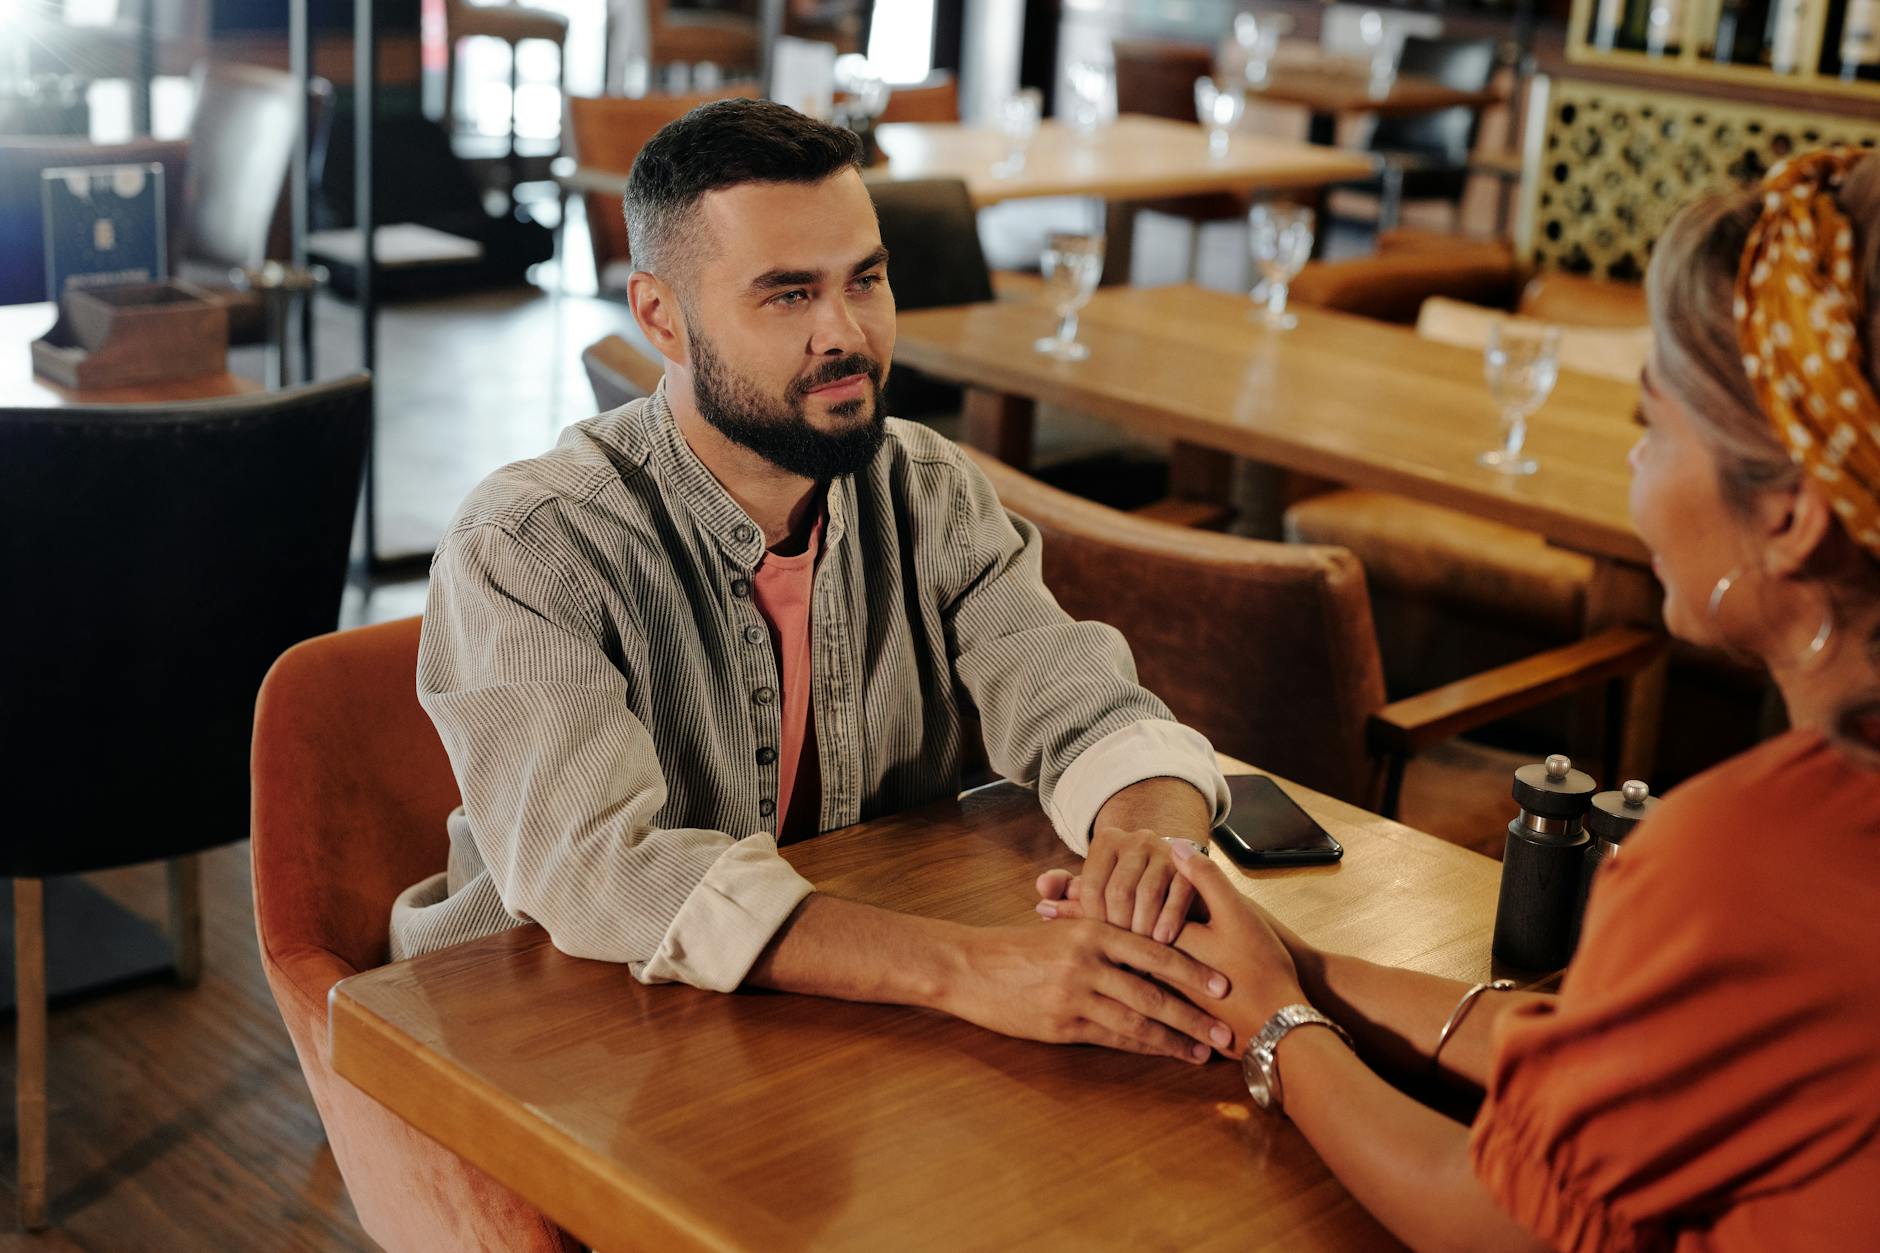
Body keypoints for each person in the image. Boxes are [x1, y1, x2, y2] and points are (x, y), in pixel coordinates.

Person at [1039, 148, 1880, 1249]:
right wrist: (1305, 964)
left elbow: (1493, 1216)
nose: (1633, 462)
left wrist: (1272, 1022)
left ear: (1789, 514)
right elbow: (1599, 1048)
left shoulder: (1749, 855)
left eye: (1654, 423)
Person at [389, 98, 1242, 1066]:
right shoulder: (529, 541)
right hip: (543, 1018)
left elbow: (1080, 701)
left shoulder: (929, 487)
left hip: (826, 1012)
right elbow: (598, 871)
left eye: (864, 279)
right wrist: (965, 969)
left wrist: (1148, 833)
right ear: (661, 317)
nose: (844, 333)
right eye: (787, 294)